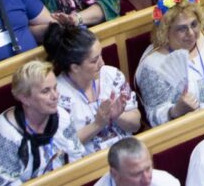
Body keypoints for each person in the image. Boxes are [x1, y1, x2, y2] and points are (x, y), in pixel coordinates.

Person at [0, 60, 86, 186]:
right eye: (46, 91)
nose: (55, 96)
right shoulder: (7, 132)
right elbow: (6, 183)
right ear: (24, 98)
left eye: (55, 88)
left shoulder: (62, 116)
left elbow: (77, 157)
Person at [43, 23, 140, 153]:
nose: (102, 63)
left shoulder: (112, 75)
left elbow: (136, 125)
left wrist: (117, 116)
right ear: (75, 67)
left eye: (101, 55)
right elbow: (63, 148)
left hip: (128, 153)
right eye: (94, 61)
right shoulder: (56, 94)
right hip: (91, 162)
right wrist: (97, 124)